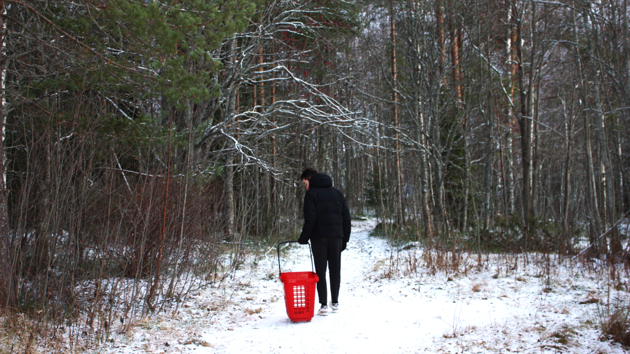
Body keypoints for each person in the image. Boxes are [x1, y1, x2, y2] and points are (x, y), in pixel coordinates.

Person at [297, 168, 351, 316]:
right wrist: (345, 239)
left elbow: (311, 220)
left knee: (320, 270)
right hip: (336, 237)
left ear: (310, 178)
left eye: (305, 182)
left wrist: (303, 238)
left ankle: (323, 305)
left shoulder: (311, 194)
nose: (306, 186)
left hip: (319, 237)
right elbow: (346, 218)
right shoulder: (337, 193)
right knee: (335, 269)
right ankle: (335, 302)